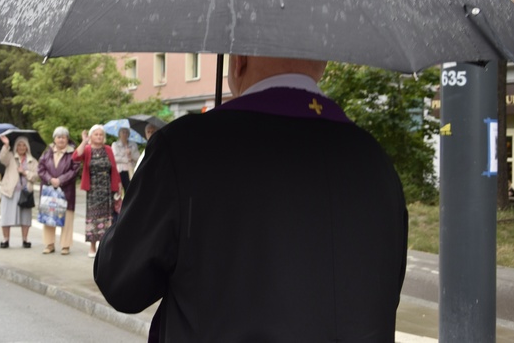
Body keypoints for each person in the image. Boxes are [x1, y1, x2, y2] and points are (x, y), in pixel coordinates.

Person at [94, 56, 408, 341]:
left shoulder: (186, 148)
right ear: (323, 62)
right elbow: (384, 294)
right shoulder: (376, 162)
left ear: (238, 61)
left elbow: (121, 284)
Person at [72, 125, 121, 258]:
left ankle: (104, 246)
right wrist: (84, 141)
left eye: (101, 134)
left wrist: (118, 186)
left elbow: (114, 168)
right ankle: (92, 246)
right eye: (96, 134)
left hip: (106, 189)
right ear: (91, 136)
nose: (99, 136)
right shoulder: (88, 149)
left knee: (107, 219)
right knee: (93, 217)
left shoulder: (108, 149)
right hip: (93, 189)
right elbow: (76, 157)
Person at [37, 126, 80, 255]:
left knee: (67, 218)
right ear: (54, 139)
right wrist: (50, 179)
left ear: (67, 139)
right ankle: (49, 244)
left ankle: (65, 245)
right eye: (58, 137)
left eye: (64, 137)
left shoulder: (73, 153)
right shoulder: (47, 152)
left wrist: (60, 180)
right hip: (49, 190)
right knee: (48, 216)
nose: (61, 139)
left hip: (66, 190)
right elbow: (41, 169)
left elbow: (75, 170)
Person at [0, 135, 38, 249]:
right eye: (19, 145)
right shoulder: (10, 157)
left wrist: (25, 172)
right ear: (15, 146)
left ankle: (25, 240)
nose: (21, 147)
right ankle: (6, 240)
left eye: (24, 145)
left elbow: (36, 176)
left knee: (25, 217)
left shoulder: (32, 160)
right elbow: (2, 158)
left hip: (25, 192)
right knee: (6, 216)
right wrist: (6, 145)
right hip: (9, 191)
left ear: (27, 147)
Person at [111, 127, 140, 192]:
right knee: (119, 191)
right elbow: (114, 158)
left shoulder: (133, 144)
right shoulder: (115, 145)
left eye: (126, 132)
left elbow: (138, 157)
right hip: (120, 171)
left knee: (131, 190)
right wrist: (127, 158)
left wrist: (131, 155)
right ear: (119, 134)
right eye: (123, 132)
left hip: (132, 170)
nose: (125, 134)